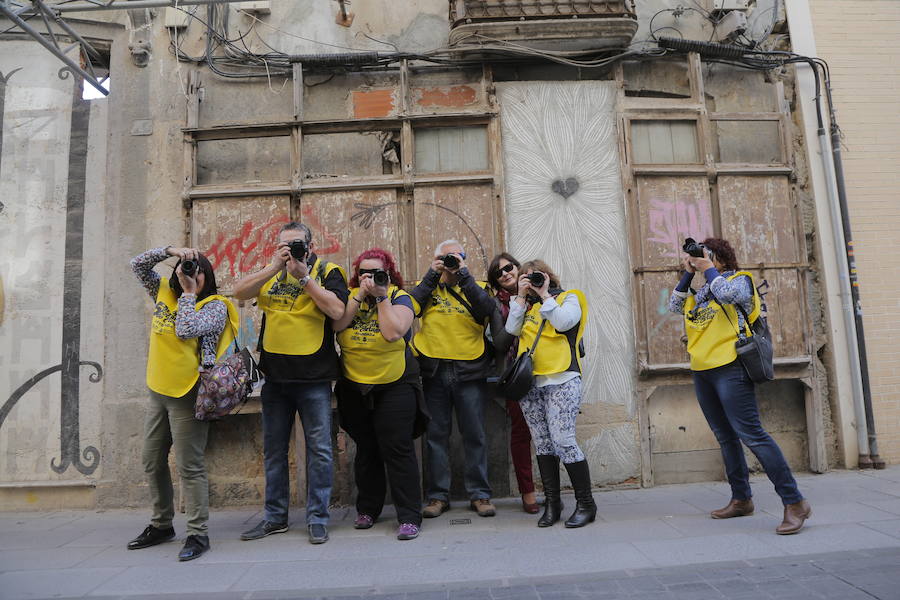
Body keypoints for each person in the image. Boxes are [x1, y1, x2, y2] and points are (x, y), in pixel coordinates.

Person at [668, 237, 811, 535]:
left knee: (752, 434)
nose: (700, 259)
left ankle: (795, 502)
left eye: (706, 255)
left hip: (731, 367)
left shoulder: (739, 281)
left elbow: (729, 294)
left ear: (720, 257)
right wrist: (689, 273)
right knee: (725, 437)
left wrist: (708, 268)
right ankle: (741, 498)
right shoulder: (703, 290)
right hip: (702, 371)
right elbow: (674, 305)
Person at [233, 222, 348, 545]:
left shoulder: (328, 271)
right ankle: (274, 518)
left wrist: (304, 278)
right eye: (284, 245)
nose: (290, 250)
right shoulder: (271, 273)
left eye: (296, 245)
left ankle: (317, 518)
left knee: (321, 451)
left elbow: (337, 311)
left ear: (310, 247)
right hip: (275, 379)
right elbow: (239, 292)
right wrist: (272, 266)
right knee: (273, 452)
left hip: (314, 378)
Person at [128, 245, 240, 561]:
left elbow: (186, 328)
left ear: (208, 275)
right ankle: (162, 524)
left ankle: (197, 533)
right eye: (187, 269)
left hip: (189, 393)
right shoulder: (163, 290)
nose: (193, 274)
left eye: (199, 269)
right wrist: (170, 251)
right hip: (158, 390)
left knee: (189, 466)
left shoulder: (216, 305)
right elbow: (136, 263)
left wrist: (189, 293)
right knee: (151, 459)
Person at [333, 248, 426, 540]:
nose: (369, 278)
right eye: (363, 272)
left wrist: (382, 295)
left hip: (394, 384)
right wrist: (360, 295)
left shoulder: (400, 297)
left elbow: (393, 332)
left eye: (376, 273)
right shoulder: (350, 297)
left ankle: (410, 516)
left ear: (389, 272)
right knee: (366, 449)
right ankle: (368, 509)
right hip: (355, 385)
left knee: (397, 450)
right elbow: (337, 325)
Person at [411, 240, 498, 518]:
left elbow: (487, 310)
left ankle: (480, 494)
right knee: (436, 436)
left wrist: (464, 275)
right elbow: (410, 308)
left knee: (474, 434)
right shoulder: (426, 284)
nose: (449, 262)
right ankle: (438, 496)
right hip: (434, 370)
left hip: (469, 369)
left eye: (454, 257)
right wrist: (431, 274)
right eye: (443, 257)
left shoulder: (477, 286)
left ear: (464, 259)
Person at [504, 260, 594, 528]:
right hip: (531, 384)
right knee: (542, 443)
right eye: (526, 278)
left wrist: (544, 294)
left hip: (563, 378)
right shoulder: (527, 307)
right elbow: (511, 329)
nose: (530, 281)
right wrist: (520, 297)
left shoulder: (570, 298)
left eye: (535, 277)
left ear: (547, 276)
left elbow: (565, 323)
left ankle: (586, 504)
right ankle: (553, 504)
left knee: (564, 441)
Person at [487, 253, 539, 514]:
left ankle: (550, 490)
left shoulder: (540, 290)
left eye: (509, 267)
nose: (506, 273)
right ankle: (528, 492)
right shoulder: (496, 305)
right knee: (521, 434)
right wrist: (518, 301)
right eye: (499, 272)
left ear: (519, 269)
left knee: (551, 434)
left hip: (547, 371)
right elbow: (500, 343)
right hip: (517, 375)